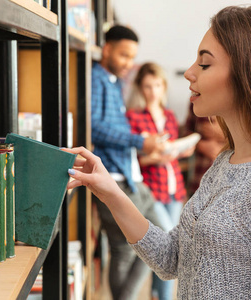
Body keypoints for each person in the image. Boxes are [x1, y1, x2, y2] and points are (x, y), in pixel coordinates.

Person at [65, 5, 251, 299]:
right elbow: (171, 258)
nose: (188, 73)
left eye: (205, 64)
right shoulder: (225, 162)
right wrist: (109, 190)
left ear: (250, 74)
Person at [90, 25, 164, 300]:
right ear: (107, 49)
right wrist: (138, 140)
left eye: (132, 57)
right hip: (115, 180)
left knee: (160, 240)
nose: (128, 63)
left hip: (131, 178)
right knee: (123, 251)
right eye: (123, 55)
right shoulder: (96, 79)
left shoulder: (114, 82)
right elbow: (94, 126)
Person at [126, 62, 192, 300]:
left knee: (168, 251)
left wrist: (179, 151)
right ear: (140, 88)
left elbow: (172, 148)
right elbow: (131, 161)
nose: (153, 91)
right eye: (147, 86)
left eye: (157, 85)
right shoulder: (133, 117)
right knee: (164, 245)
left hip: (174, 190)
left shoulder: (169, 116)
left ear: (163, 87)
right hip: (151, 190)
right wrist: (153, 157)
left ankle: (159, 295)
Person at [180, 105, 225, 195]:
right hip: (199, 180)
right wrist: (200, 145)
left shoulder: (240, 97)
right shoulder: (196, 100)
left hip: (227, 183)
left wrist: (224, 134)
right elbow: (186, 134)